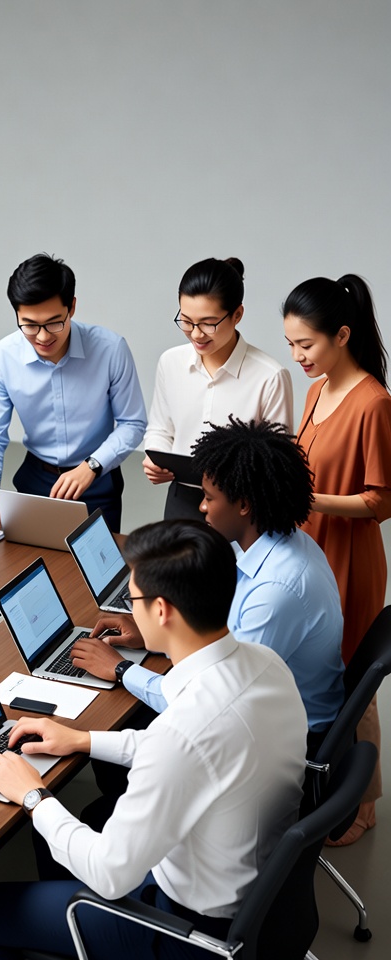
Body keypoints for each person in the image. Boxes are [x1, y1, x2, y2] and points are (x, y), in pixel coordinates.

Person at [0, 520, 308, 959]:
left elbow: (109, 874)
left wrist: (32, 796)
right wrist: (83, 740)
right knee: (56, 833)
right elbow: (186, 751)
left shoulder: (184, 734)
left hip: (187, 931)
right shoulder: (265, 664)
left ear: (162, 611)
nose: (129, 610)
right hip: (252, 889)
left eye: (134, 599)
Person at [75, 418, 344, 745]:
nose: (201, 507)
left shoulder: (276, 592)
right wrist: (152, 635)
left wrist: (120, 669)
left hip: (275, 737)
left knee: (119, 724)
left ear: (244, 505)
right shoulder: (282, 543)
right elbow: (226, 640)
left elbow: (212, 703)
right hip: (262, 706)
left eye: (209, 497)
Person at [284, 273, 391, 843]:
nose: (298, 356)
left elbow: (380, 501)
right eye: (292, 345)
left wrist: (306, 499)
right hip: (309, 547)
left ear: (342, 335)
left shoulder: (373, 403)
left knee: (352, 679)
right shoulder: (316, 388)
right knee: (320, 671)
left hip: (349, 556)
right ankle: (331, 783)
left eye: (307, 345)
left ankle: (364, 801)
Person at [0, 254, 146, 539]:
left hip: (96, 480)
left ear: (72, 307)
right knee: (32, 572)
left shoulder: (111, 349)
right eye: (29, 325)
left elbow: (133, 423)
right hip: (35, 480)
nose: (42, 337)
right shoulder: (1, 357)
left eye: (54, 323)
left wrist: (92, 466)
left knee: (97, 579)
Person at [143, 257, 293, 518]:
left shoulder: (270, 376)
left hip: (241, 508)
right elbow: (160, 428)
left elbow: (277, 463)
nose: (196, 334)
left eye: (208, 323)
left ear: (237, 315)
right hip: (182, 498)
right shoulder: (171, 362)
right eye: (187, 321)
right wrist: (155, 458)